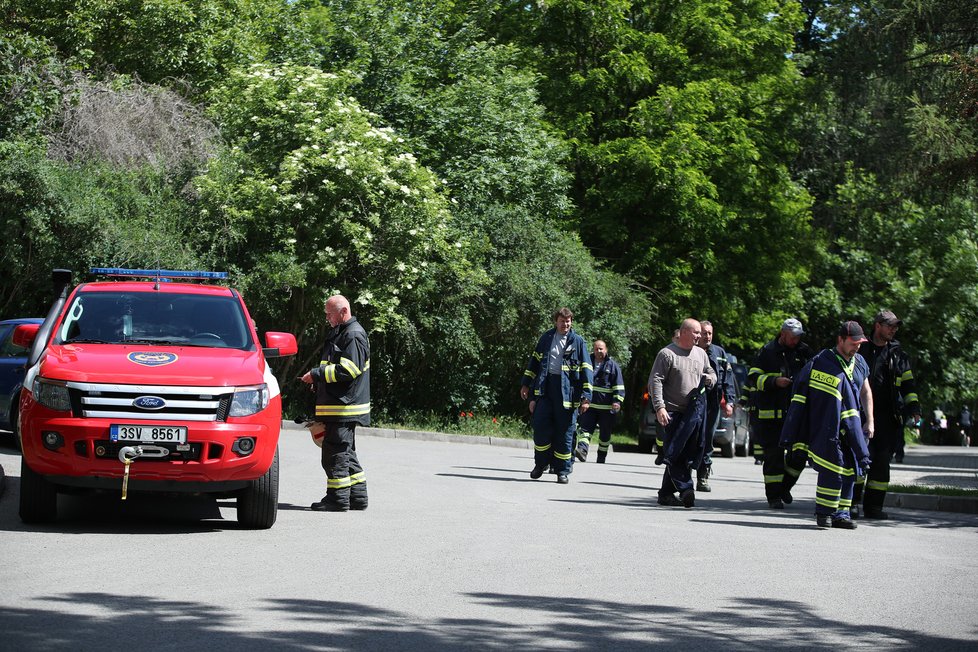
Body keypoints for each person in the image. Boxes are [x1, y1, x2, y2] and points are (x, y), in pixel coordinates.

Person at [781, 321, 872, 529]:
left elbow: (866, 391)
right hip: (827, 427)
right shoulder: (822, 362)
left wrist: (870, 420)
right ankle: (824, 513)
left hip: (853, 424)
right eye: (853, 342)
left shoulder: (859, 363)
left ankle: (842, 513)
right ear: (840, 340)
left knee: (850, 469)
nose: (857, 346)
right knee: (832, 468)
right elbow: (804, 396)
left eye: (860, 343)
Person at [301, 295, 370, 512]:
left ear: (343, 311)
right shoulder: (343, 333)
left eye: (330, 314)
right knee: (345, 452)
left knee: (335, 455)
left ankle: (337, 499)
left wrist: (316, 375)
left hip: (344, 408)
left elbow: (349, 370)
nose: (327, 318)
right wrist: (320, 381)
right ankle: (357, 497)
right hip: (340, 405)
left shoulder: (353, 334)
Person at [853, 310, 920, 519]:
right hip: (860, 414)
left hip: (888, 417)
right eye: (890, 325)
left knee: (881, 463)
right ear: (878, 326)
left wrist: (914, 408)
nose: (893, 329)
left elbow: (908, 384)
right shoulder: (860, 349)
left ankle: (874, 508)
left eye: (895, 326)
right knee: (858, 459)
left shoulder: (898, 354)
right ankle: (852, 503)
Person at [746, 318, 814, 508]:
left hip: (797, 415)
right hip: (771, 417)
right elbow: (753, 378)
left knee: (801, 454)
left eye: (798, 337)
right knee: (774, 458)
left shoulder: (804, 352)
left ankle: (785, 487)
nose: (795, 341)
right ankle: (774, 497)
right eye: (793, 337)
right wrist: (775, 382)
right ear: (783, 334)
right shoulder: (767, 352)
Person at [520, 308, 593, 484]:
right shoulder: (546, 338)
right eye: (562, 321)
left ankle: (562, 471)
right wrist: (526, 385)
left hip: (567, 394)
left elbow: (587, 369)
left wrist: (586, 396)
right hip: (545, 390)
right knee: (541, 427)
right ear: (556, 321)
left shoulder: (578, 342)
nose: (565, 324)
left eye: (568, 321)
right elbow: (535, 362)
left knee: (565, 432)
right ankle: (540, 465)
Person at [649, 318, 716, 508]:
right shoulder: (667, 354)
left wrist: (710, 379)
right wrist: (660, 407)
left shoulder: (701, 354)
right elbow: (655, 380)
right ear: (684, 332)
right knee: (674, 452)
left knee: (686, 453)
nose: (699, 336)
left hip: (693, 414)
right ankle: (686, 488)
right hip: (671, 412)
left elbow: (712, 373)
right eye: (696, 333)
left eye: (700, 333)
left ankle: (666, 494)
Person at [695, 320, 736, 492]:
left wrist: (730, 401)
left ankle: (702, 477)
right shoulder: (691, 351)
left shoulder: (719, 353)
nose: (707, 336)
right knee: (690, 439)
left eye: (710, 333)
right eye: (704, 333)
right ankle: (681, 476)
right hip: (693, 403)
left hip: (712, 405)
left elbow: (728, 379)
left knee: (707, 440)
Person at [575, 339, 625, 464]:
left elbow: (619, 386)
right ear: (593, 350)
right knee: (585, 430)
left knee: (605, 435)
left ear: (606, 350)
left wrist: (617, 401)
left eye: (601, 348)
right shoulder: (587, 363)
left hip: (606, 409)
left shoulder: (613, 366)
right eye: (596, 348)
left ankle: (601, 457)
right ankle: (582, 451)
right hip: (589, 405)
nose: (598, 351)